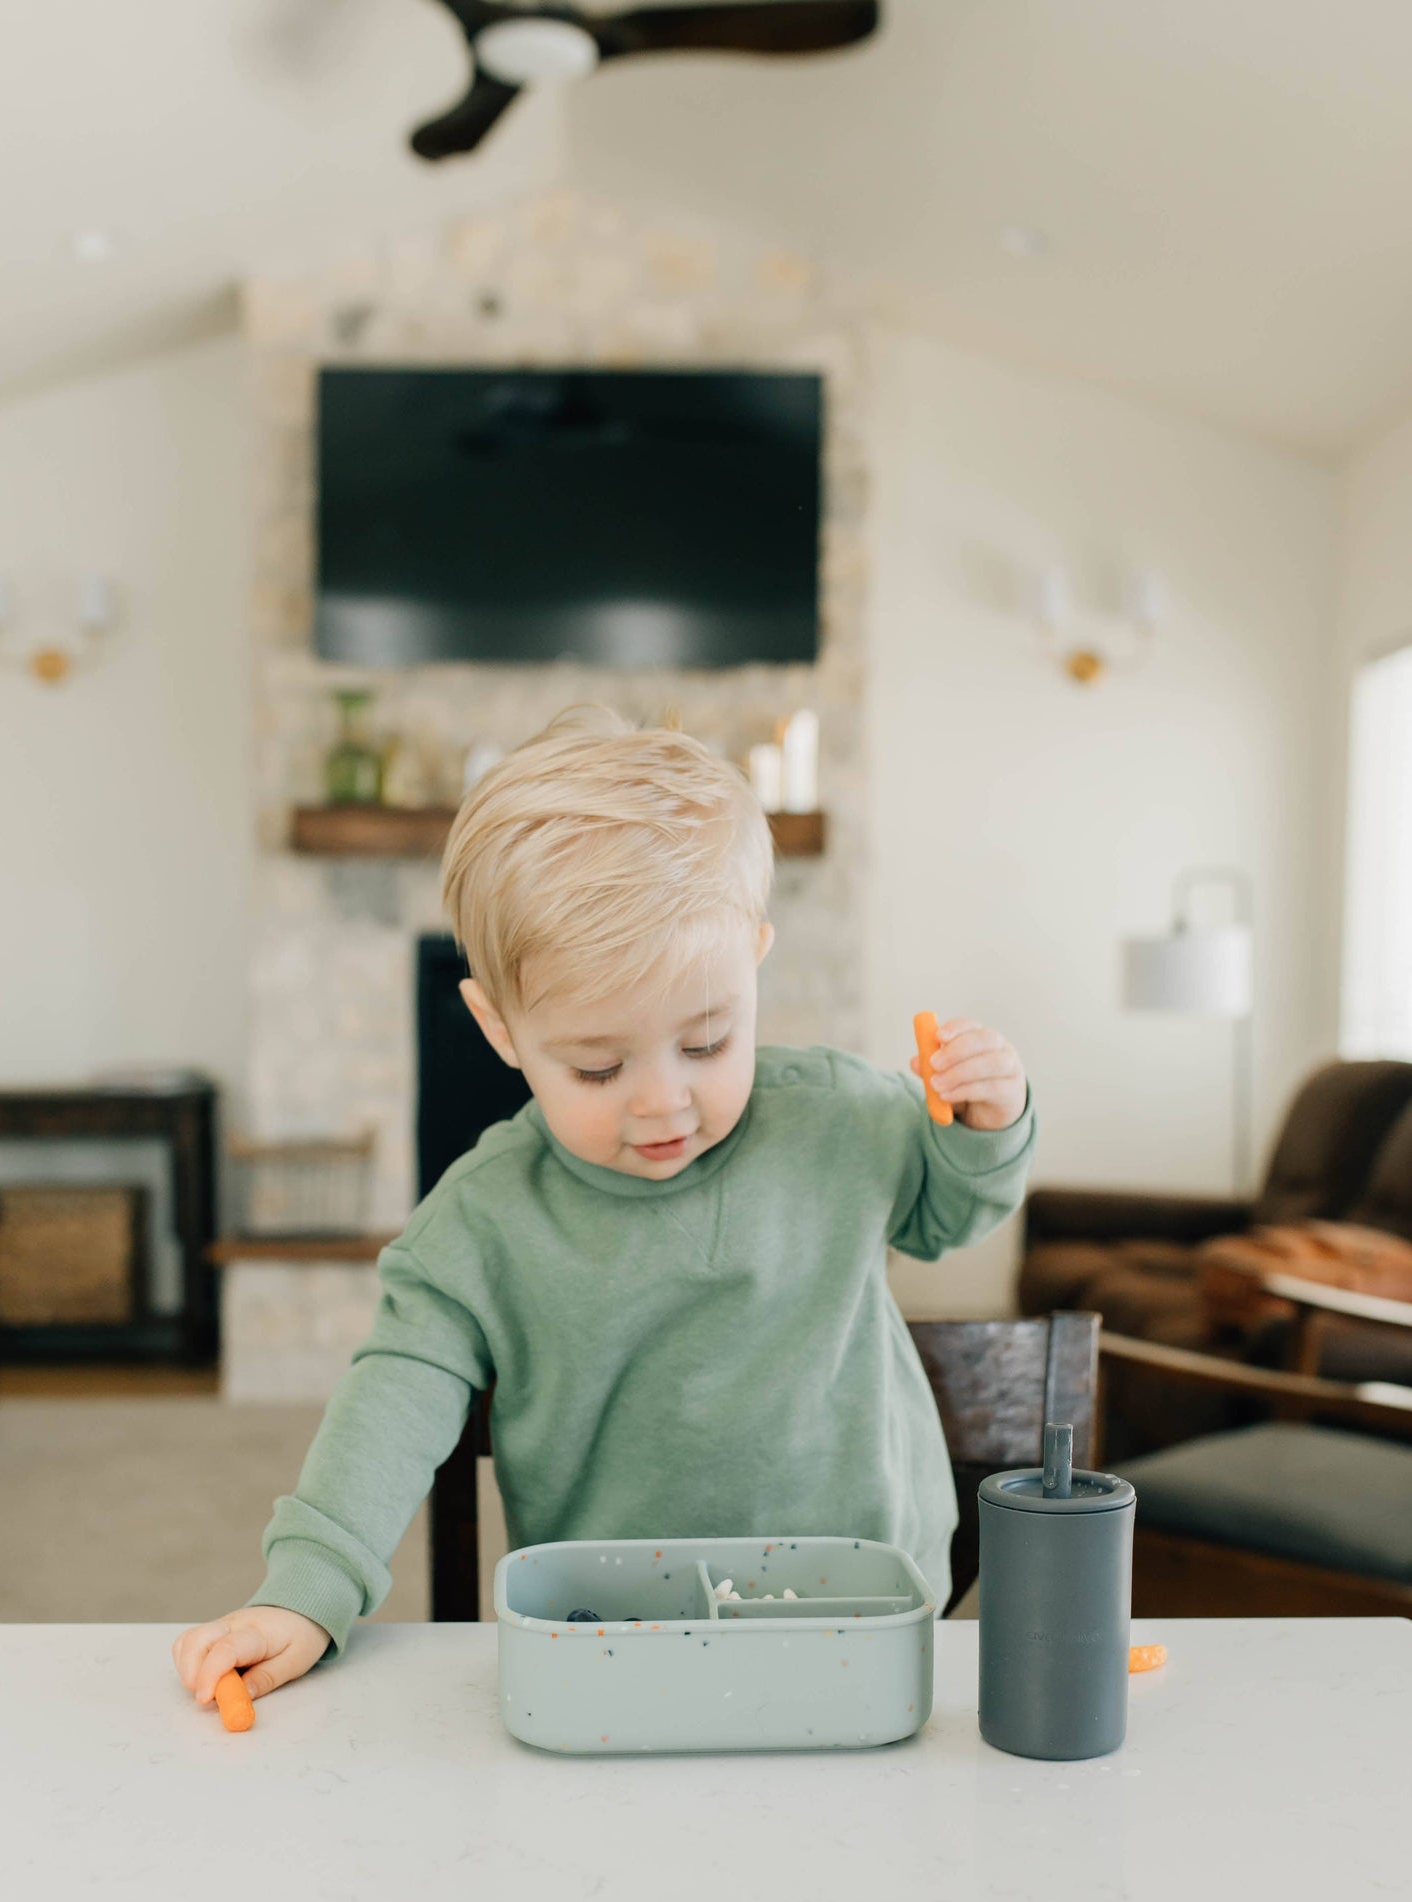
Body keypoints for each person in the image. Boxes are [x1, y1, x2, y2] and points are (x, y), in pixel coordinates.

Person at [173, 706, 1034, 1711]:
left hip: (861, 1620)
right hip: (613, 1646)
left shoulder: (841, 1116)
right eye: (595, 1064)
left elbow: (947, 1215)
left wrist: (982, 1125)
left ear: (752, 959)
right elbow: (393, 1400)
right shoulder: (481, 1221)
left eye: (707, 1043)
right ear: (499, 1029)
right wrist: (307, 1592)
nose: (661, 1100)